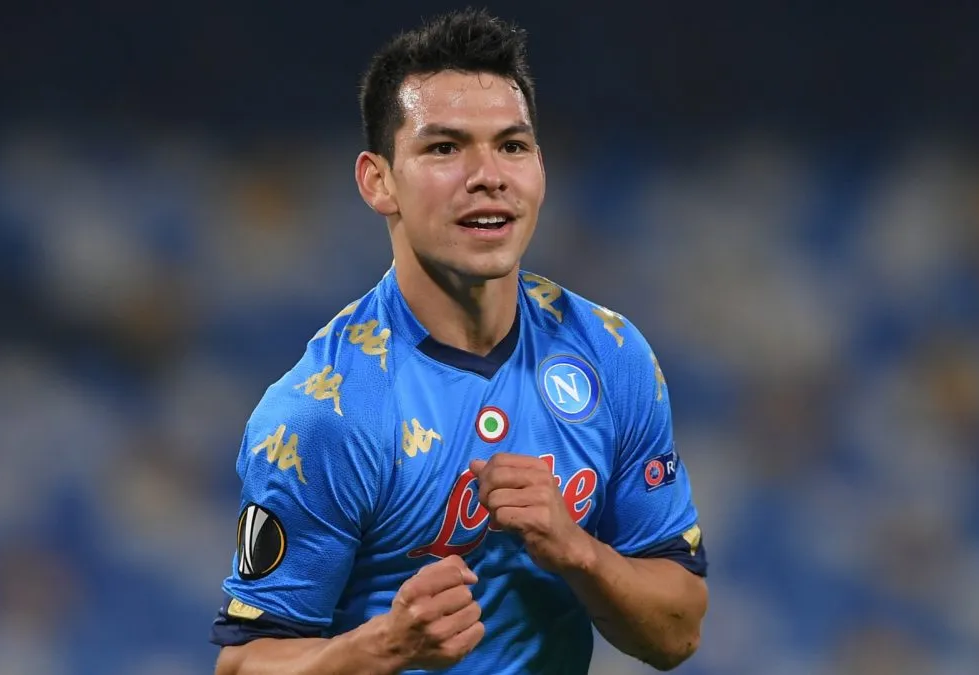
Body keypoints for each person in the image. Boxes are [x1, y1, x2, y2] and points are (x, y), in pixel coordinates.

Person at [210, 8, 708, 674]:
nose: (488, 174)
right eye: (444, 147)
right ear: (377, 180)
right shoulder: (323, 412)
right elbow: (243, 666)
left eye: (512, 145)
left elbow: (678, 633)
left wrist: (579, 551)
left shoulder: (611, 355)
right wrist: (384, 644)